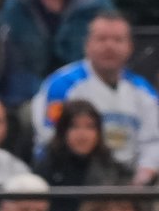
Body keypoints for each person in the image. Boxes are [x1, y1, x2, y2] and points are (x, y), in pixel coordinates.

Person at [31, 12, 159, 183]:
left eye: (118, 40)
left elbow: (153, 142)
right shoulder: (62, 84)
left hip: (130, 180)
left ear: (130, 47)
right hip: (74, 176)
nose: (109, 46)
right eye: (101, 39)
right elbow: (50, 137)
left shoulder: (144, 91)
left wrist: (141, 180)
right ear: (87, 45)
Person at [2, 0, 114, 102]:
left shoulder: (95, 2)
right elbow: (12, 66)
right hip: (28, 99)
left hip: (88, 96)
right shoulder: (15, 7)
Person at [40, 97, 134, 186]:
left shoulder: (114, 171)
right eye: (74, 126)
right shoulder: (47, 167)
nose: (82, 134)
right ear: (63, 131)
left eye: (89, 126)